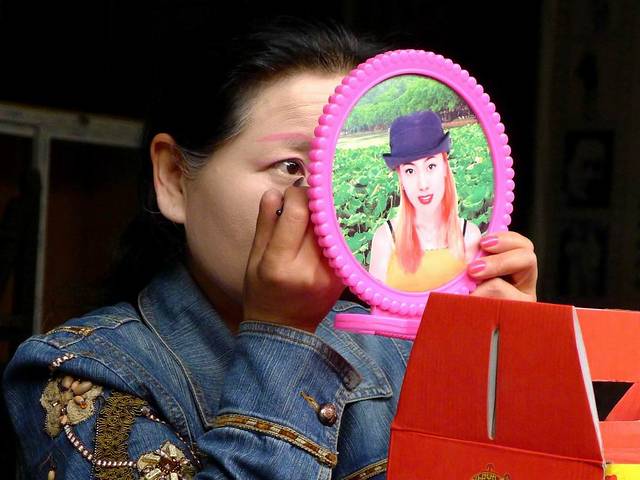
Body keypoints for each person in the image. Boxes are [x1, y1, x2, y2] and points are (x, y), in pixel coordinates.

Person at [2, 17, 537, 480]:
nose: (325, 209)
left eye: (337, 169)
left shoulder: (401, 350)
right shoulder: (81, 372)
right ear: (173, 178)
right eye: (293, 167)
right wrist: (282, 335)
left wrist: (505, 372)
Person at [369, 110, 481, 291]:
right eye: (410, 171)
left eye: (431, 166)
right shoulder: (385, 239)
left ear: (444, 167)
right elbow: (376, 304)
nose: (423, 184)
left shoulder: (469, 235)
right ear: (401, 178)